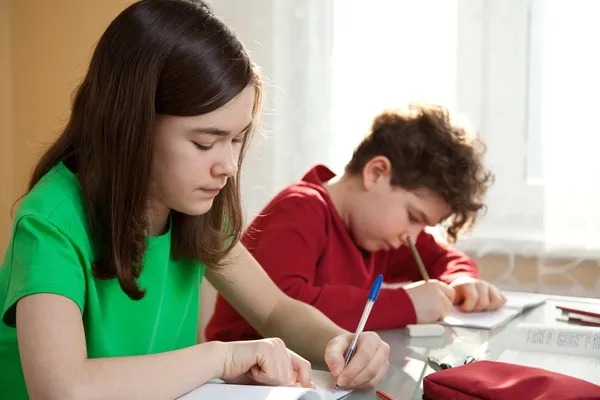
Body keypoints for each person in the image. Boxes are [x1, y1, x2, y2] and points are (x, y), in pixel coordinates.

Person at [0, 1, 390, 399]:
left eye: (237, 140)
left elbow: (275, 310)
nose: (229, 166)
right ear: (130, 127)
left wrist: (342, 341)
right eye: (205, 143)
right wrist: (219, 359)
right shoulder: (50, 222)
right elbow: (63, 389)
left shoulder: (190, 209)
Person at [205, 104, 507, 342]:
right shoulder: (300, 209)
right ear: (376, 173)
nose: (412, 236)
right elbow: (285, 304)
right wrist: (405, 304)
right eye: (414, 217)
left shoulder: (379, 235)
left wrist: (460, 280)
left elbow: (445, 258)